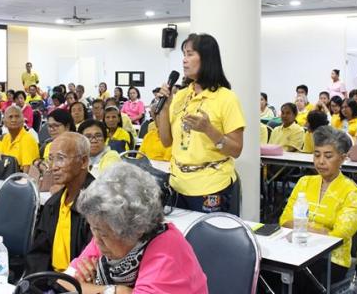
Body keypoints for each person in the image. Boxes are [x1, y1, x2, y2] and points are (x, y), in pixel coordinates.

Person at [65, 162, 208, 294]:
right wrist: (116, 291)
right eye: (93, 229)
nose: (96, 241)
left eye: (102, 234)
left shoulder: (167, 252)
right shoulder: (105, 230)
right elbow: (63, 281)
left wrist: (89, 288)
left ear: (135, 231)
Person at [157, 33, 245, 213]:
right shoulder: (181, 95)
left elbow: (236, 150)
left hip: (211, 186)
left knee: (209, 232)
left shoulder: (226, 98)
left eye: (190, 54)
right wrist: (165, 107)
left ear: (206, 59)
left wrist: (208, 129)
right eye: (183, 54)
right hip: (177, 184)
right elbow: (166, 141)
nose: (184, 60)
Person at [279, 126, 357, 292]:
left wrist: (302, 227)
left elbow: (338, 236)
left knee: (297, 280)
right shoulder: (304, 182)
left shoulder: (352, 192)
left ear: (342, 158)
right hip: (295, 250)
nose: (320, 161)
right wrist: (321, 230)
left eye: (328, 156)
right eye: (317, 155)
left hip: (331, 259)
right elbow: (284, 221)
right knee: (263, 271)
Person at [25, 132, 94, 274]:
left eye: (61, 158)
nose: (53, 167)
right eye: (51, 159)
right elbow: (39, 253)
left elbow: (92, 262)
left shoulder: (97, 205)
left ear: (83, 162)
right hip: (50, 278)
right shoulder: (53, 204)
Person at [0, 106, 39, 173]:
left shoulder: (27, 139)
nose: (14, 120)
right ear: (4, 122)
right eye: (10, 117)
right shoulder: (5, 138)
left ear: (23, 120)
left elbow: (27, 172)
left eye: (17, 116)